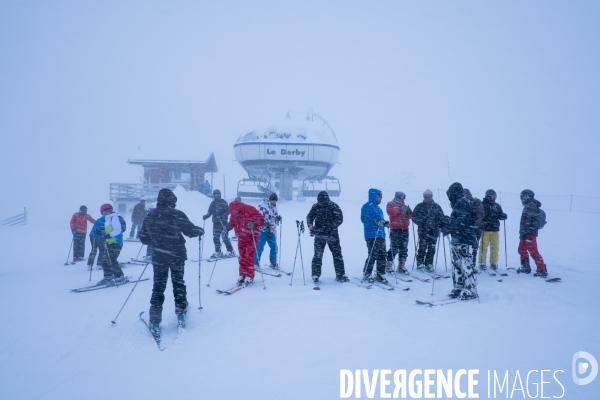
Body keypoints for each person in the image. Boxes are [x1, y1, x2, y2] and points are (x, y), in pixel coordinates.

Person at [139, 188, 204, 336]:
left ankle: (155, 319)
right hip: (177, 255)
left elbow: (143, 237)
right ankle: (181, 312)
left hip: (159, 257)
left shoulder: (151, 216)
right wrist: (199, 230)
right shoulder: (177, 214)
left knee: (158, 286)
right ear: (172, 201)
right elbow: (190, 231)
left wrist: (155, 242)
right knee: (178, 282)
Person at [443, 182, 478, 300]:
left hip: (464, 238)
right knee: (457, 263)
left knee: (465, 263)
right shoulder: (458, 203)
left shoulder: (462, 202)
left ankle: (470, 288)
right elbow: (458, 220)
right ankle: (459, 286)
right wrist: (449, 224)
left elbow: (463, 221)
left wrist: (450, 225)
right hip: (458, 238)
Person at [307, 191, 348, 283]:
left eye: (323, 201)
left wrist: (330, 226)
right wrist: (310, 225)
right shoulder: (315, 206)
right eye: (320, 201)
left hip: (332, 235)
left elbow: (339, 219)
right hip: (319, 235)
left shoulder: (334, 206)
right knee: (318, 255)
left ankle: (340, 274)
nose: (321, 203)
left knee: (337, 254)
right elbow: (309, 216)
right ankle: (315, 275)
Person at [228, 198, 264, 286]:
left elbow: (261, 220)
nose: (235, 214)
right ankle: (242, 274)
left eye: (236, 212)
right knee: (242, 256)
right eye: (233, 213)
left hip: (252, 236)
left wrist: (254, 224)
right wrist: (228, 227)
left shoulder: (250, 209)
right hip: (241, 237)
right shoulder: (234, 213)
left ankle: (250, 276)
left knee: (249, 256)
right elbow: (232, 222)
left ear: (240, 208)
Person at [411, 189, 445, 272]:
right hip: (423, 231)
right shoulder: (419, 206)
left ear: (432, 197)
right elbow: (414, 217)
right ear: (423, 197)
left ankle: (429, 263)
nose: (427, 198)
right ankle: (420, 263)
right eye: (426, 197)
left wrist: (441, 224)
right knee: (422, 248)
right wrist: (421, 221)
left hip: (434, 231)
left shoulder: (437, 206)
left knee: (432, 248)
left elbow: (441, 217)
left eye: (429, 196)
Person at [360, 188, 389, 284]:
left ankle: (380, 273)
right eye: (379, 196)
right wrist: (376, 222)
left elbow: (380, 220)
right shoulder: (367, 206)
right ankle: (367, 273)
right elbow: (365, 219)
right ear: (374, 196)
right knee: (373, 254)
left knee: (382, 254)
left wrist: (385, 223)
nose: (381, 198)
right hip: (372, 234)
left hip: (380, 234)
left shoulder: (378, 208)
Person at [517, 189, 547, 277]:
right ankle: (525, 266)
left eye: (522, 197)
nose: (521, 199)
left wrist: (526, 231)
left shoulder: (531, 206)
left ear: (526, 196)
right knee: (521, 249)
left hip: (529, 234)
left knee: (533, 251)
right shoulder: (528, 205)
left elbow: (529, 221)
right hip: (525, 233)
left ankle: (541, 270)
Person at [96, 204, 127, 285]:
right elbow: (110, 230)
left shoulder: (114, 217)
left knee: (112, 260)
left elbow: (117, 230)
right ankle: (108, 277)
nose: (105, 213)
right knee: (105, 260)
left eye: (106, 211)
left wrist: (108, 235)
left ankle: (119, 277)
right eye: (105, 212)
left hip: (116, 243)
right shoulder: (109, 219)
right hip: (110, 242)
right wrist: (101, 233)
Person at [478, 189, 507, 271]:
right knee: (483, 247)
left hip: (495, 229)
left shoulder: (497, 206)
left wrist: (503, 216)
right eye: (492, 197)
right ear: (488, 196)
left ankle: (494, 263)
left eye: (495, 197)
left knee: (495, 247)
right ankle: (482, 262)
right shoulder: (482, 205)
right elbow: (480, 215)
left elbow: (500, 215)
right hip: (485, 230)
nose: (494, 198)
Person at [203, 189, 235, 258]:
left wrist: (223, 216)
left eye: (218, 194)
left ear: (220, 195)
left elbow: (227, 211)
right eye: (215, 195)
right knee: (215, 238)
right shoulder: (213, 203)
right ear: (214, 195)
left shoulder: (224, 202)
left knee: (225, 237)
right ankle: (218, 252)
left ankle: (230, 251)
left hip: (223, 223)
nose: (217, 196)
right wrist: (206, 216)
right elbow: (210, 211)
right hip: (216, 224)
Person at [385, 191, 412, 275]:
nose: (402, 199)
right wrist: (399, 209)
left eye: (404, 197)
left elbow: (410, 216)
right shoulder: (391, 204)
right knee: (394, 248)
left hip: (404, 229)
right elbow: (390, 212)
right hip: (395, 229)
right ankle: (388, 265)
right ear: (397, 197)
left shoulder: (404, 205)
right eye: (401, 197)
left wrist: (409, 212)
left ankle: (401, 265)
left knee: (404, 248)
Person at [254, 193, 281, 269]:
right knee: (259, 246)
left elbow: (274, 217)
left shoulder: (274, 207)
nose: (274, 202)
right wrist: (266, 224)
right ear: (270, 200)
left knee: (274, 246)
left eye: (275, 201)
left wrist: (277, 219)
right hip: (262, 230)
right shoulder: (262, 206)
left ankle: (273, 262)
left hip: (270, 229)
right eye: (273, 201)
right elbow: (258, 217)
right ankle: (255, 263)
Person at [463, 188, 484, 269]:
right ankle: (465, 263)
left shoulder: (476, 202)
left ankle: (472, 264)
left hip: (475, 229)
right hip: (466, 229)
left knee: (474, 247)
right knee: (465, 247)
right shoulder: (463, 203)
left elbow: (480, 214)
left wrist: (476, 224)